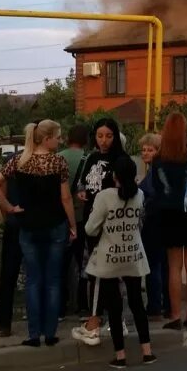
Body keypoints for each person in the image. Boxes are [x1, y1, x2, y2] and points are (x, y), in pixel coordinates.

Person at [0, 120, 76, 347]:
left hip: (27, 224)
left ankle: (33, 334)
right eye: (57, 136)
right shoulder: (58, 163)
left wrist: (9, 207)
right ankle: (51, 332)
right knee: (54, 280)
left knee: (33, 280)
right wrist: (72, 225)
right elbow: (65, 198)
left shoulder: (19, 161)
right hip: (55, 223)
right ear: (47, 139)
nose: (60, 140)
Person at [81, 158, 154, 369]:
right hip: (133, 255)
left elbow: (90, 228)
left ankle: (120, 356)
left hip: (110, 257)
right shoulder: (139, 195)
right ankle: (147, 351)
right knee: (137, 303)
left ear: (114, 176)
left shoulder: (104, 197)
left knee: (114, 307)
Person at [72, 118, 137, 342]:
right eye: (100, 136)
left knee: (106, 273)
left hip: (111, 223)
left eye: (109, 136)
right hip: (92, 217)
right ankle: (107, 319)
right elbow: (83, 182)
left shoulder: (120, 160)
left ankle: (98, 322)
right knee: (97, 272)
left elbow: (126, 189)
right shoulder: (91, 157)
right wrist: (82, 192)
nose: (104, 141)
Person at [149, 113, 187, 332]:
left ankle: (175, 315)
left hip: (168, 214)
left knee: (173, 267)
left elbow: (156, 188)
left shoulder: (158, 159)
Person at [138, 132, 170, 319]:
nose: (145, 153)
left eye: (150, 150)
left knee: (153, 265)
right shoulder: (158, 171)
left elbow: (149, 195)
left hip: (153, 222)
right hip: (164, 221)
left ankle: (155, 305)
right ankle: (166, 303)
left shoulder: (154, 173)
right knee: (164, 264)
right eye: (143, 150)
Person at [59, 124, 89, 318]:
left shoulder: (58, 157)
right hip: (82, 217)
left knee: (61, 264)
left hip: (61, 217)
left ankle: (61, 305)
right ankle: (83, 305)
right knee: (83, 263)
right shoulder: (88, 159)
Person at [0, 153, 23, 337]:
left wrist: (8, 211)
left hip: (14, 221)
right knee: (40, 276)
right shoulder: (47, 161)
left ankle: (4, 324)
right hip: (37, 223)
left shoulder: (13, 161)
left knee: (8, 276)